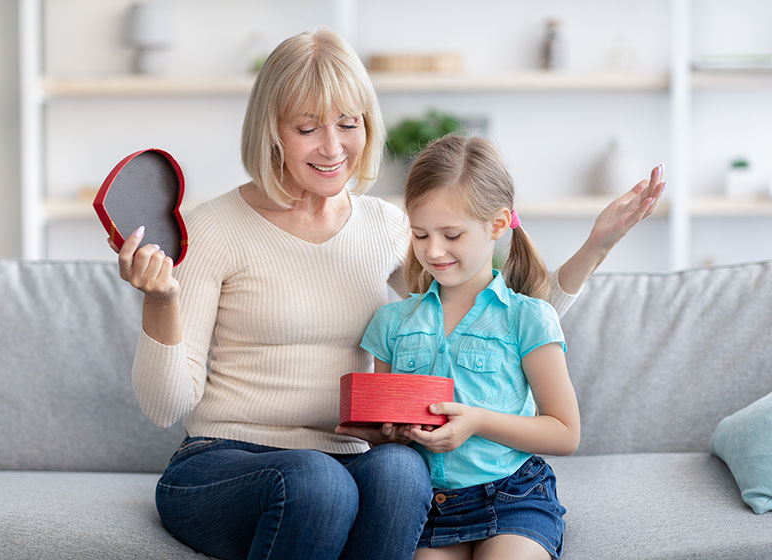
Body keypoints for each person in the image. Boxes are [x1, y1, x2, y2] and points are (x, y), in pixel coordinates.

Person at [110, 28, 665, 560]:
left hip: (352, 460)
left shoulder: (390, 227)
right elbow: (166, 406)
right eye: (307, 128)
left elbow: (501, 319)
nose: (333, 148)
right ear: (272, 131)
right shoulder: (215, 228)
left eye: (347, 124)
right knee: (319, 481)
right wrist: (161, 301)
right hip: (227, 463)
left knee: (402, 471)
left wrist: (597, 245)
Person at [357, 134, 579, 559]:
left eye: (451, 234)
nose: (433, 250)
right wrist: (385, 434)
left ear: (496, 225)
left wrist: (476, 421)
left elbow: (566, 433)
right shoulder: (392, 322)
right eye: (420, 234)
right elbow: (385, 437)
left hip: (514, 497)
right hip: (430, 508)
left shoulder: (527, 317)